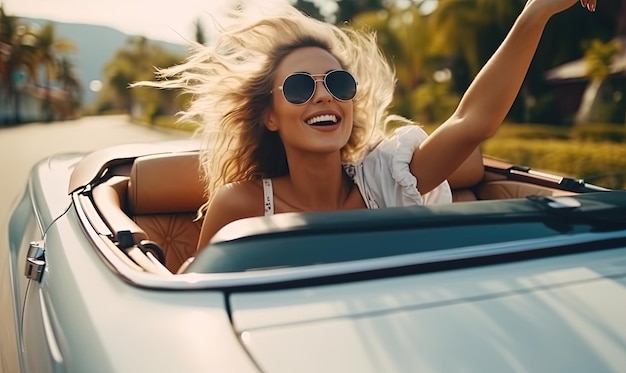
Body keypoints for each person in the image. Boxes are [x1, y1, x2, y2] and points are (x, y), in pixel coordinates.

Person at [136, 0, 597, 250]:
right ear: (269, 115)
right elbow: (200, 304)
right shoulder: (240, 205)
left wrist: (535, 11)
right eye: (299, 87)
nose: (324, 95)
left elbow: (472, 122)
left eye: (337, 82)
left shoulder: (388, 178)